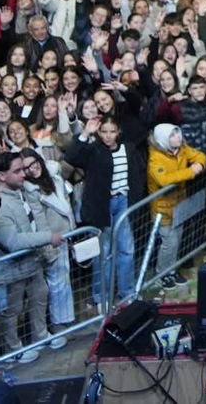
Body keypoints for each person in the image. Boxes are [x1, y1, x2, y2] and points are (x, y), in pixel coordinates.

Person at [0, 151, 63, 363]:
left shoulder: (18, 191)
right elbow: (13, 242)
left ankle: (40, 335)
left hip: (29, 262)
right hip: (7, 268)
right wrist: (47, 238)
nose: (24, 175)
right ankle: (12, 349)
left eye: (23, 169)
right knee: (11, 310)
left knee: (40, 294)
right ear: (1, 176)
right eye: (17, 171)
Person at [65, 115, 145, 308]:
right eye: (104, 132)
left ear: (118, 132)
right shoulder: (93, 150)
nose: (108, 136)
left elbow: (138, 171)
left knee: (126, 249)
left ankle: (126, 292)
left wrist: (135, 194)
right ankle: (101, 295)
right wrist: (85, 133)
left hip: (123, 200)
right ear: (99, 132)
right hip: (102, 206)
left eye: (112, 131)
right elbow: (72, 156)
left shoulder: (128, 148)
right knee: (104, 251)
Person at [20, 148, 77, 334]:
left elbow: (67, 204)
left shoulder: (55, 179)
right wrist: (47, 243)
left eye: (33, 163)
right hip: (51, 240)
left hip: (65, 236)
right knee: (55, 283)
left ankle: (66, 319)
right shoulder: (30, 191)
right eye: (26, 167)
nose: (31, 169)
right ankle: (58, 323)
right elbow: (39, 219)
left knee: (63, 279)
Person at [147, 123, 206, 285]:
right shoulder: (155, 158)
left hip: (179, 205)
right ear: (164, 140)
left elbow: (200, 156)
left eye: (178, 134)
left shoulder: (183, 149)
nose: (178, 137)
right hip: (163, 209)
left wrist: (199, 164)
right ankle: (161, 274)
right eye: (172, 136)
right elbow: (164, 179)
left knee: (177, 240)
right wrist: (190, 172)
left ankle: (171, 271)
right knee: (169, 242)